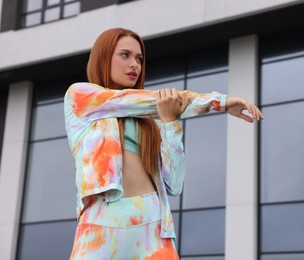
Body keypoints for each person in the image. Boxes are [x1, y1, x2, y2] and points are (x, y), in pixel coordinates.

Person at [64, 27, 263, 259]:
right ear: (103, 57)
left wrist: (169, 122)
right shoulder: (80, 96)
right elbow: (138, 101)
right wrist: (221, 102)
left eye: (139, 59)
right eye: (125, 55)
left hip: (153, 225)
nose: (135, 65)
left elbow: (174, 184)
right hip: (102, 222)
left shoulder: (152, 119)